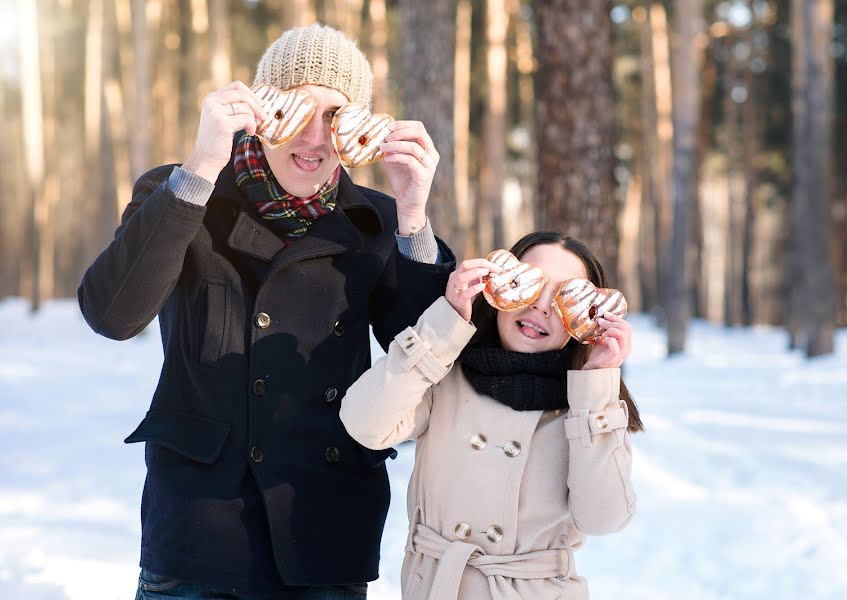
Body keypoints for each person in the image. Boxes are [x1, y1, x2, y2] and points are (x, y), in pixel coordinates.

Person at [78, 23, 455, 600]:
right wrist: (202, 166)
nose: (315, 135)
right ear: (261, 108)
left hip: (325, 531)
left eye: (336, 114)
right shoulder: (182, 192)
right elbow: (113, 313)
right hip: (199, 535)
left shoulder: (377, 221)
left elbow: (427, 356)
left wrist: (414, 218)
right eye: (299, 106)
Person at [340, 231, 642, 599]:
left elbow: (604, 517)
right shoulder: (443, 374)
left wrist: (597, 386)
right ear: (498, 287)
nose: (541, 306)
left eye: (564, 296)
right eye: (531, 283)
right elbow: (364, 423)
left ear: (584, 321)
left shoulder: (586, 406)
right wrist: (442, 327)